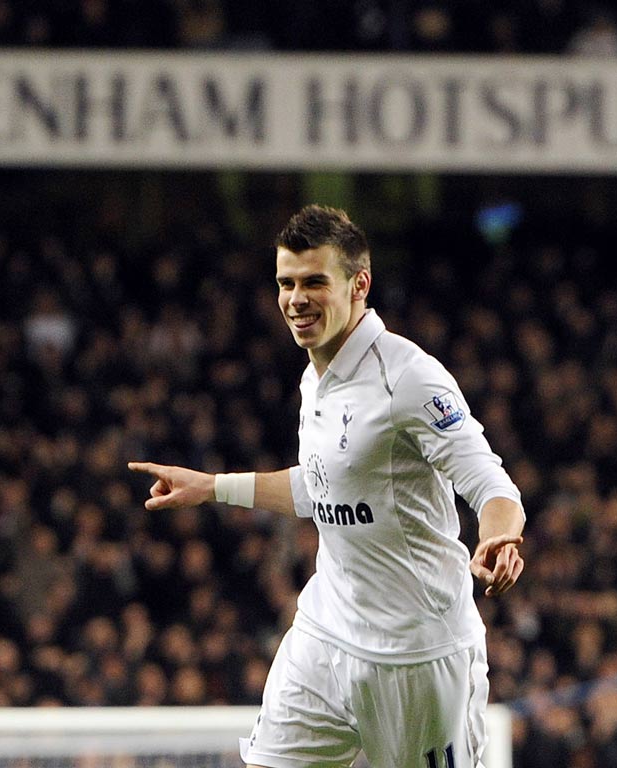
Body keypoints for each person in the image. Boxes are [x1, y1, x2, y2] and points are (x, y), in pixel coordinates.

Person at [129, 204, 525, 768]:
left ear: (359, 284)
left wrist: (500, 538)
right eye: (286, 283)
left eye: (315, 282)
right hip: (325, 633)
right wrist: (213, 486)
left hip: (416, 655)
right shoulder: (316, 375)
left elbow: (490, 481)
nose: (296, 299)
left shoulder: (408, 377)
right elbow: (323, 490)